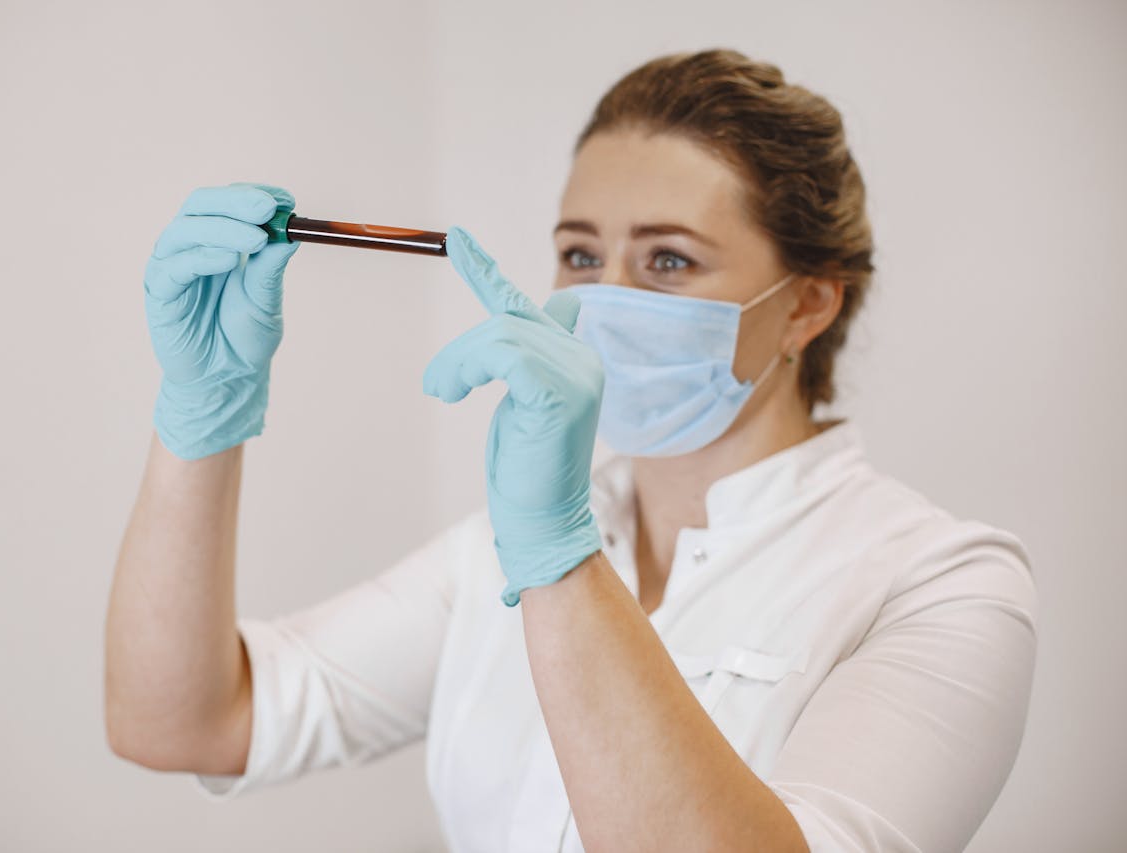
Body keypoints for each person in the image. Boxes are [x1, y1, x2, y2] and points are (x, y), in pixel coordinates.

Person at [105, 49, 1038, 853]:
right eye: (581, 255)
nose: (604, 297)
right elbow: (186, 719)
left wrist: (555, 550)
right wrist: (203, 412)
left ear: (807, 304)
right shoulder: (496, 552)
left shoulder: (940, 585)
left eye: (668, 259)